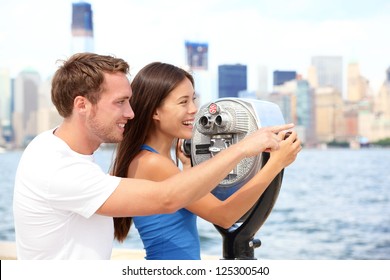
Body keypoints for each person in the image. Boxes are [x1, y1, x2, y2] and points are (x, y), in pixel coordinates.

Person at [12, 53, 294, 260]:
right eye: (120, 102)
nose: (131, 113)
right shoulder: (58, 168)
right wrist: (257, 155)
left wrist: (189, 172)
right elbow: (179, 201)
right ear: (82, 105)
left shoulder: (53, 148)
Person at [111, 62, 302, 260]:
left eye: (193, 100)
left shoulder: (157, 160)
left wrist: (187, 168)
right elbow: (225, 216)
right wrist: (276, 164)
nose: (194, 109)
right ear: (155, 111)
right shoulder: (151, 163)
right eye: (183, 102)